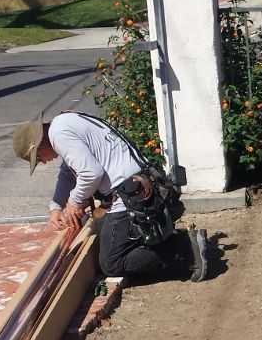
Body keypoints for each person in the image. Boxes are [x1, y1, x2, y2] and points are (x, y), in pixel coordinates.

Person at [10, 111, 206, 282]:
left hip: (129, 195)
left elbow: (90, 173)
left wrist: (73, 203)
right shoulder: (63, 124)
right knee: (116, 240)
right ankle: (180, 241)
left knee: (112, 262)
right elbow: (68, 172)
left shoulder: (59, 134)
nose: (43, 162)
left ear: (39, 145)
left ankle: (186, 250)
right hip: (135, 186)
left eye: (38, 158)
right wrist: (56, 206)